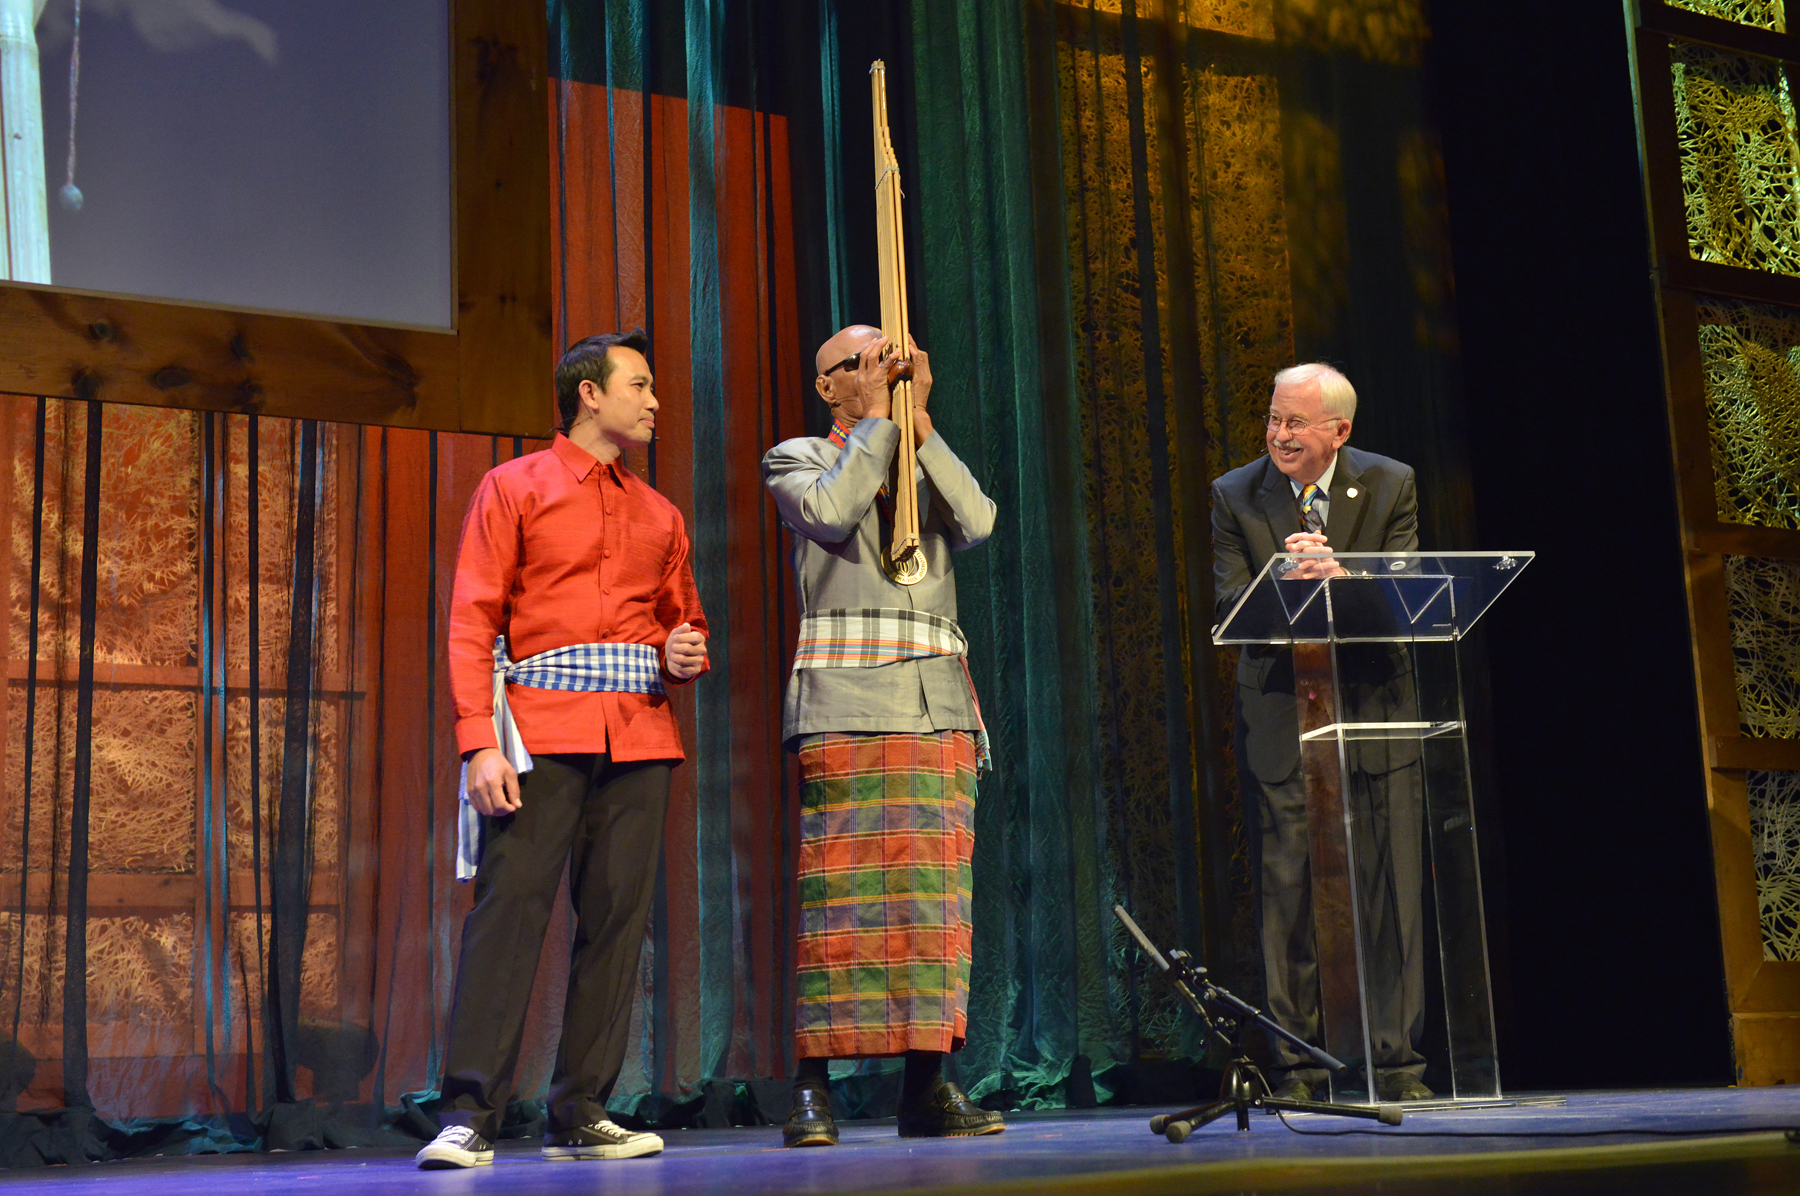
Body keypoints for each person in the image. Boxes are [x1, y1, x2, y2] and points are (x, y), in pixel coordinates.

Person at [415, 330, 710, 1169]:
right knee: (509, 917)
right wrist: (479, 744)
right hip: (539, 732)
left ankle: (580, 1108)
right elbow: (473, 620)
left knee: (616, 923)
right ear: (589, 394)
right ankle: (469, 1111)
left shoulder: (661, 513)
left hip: (640, 735)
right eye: (641, 385)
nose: (655, 402)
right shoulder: (515, 487)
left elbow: (683, 622)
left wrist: (684, 652)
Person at [761, 325, 1005, 1146]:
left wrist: (921, 426)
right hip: (845, 706)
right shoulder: (797, 454)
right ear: (830, 385)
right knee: (841, 902)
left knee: (932, 909)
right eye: (859, 367)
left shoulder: (917, 454)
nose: (879, 378)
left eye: (890, 365)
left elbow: (977, 520)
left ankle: (926, 1088)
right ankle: (811, 1089)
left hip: (935, 708)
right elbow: (830, 514)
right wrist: (874, 423)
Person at [1210, 362, 1432, 1104]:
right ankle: (1299, 1069)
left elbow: (1406, 591)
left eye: (1295, 423)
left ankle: (1395, 1065)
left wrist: (1345, 575)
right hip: (1283, 715)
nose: (1278, 435)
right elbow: (1228, 603)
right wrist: (1287, 581)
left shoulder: (1391, 482)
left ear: (1340, 431)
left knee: (1389, 890)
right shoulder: (1235, 495)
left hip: (1375, 712)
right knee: (1288, 895)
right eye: (1273, 419)